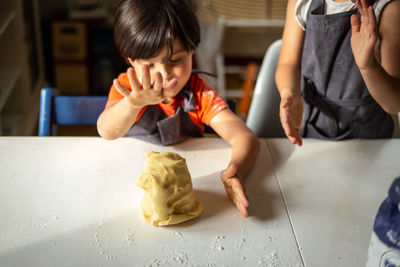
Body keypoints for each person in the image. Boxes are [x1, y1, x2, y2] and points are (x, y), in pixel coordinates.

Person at [97, 0, 259, 218]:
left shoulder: (199, 94)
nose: (164, 74)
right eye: (150, 65)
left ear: (192, 50)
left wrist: (235, 172)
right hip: (127, 189)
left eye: (175, 61)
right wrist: (133, 104)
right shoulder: (128, 89)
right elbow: (106, 131)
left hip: (186, 186)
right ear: (130, 60)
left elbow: (245, 138)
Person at [275, 0, 400, 145]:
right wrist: (289, 94)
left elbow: (394, 104)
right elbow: (288, 64)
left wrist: (368, 66)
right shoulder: (301, 2)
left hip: (370, 138)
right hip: (311, 128)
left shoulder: (390, 10)